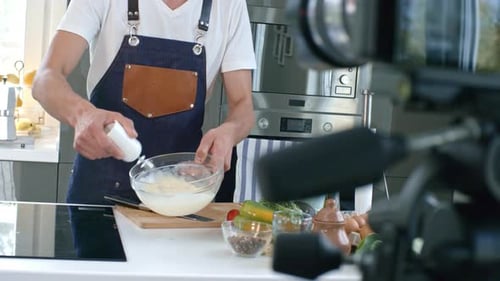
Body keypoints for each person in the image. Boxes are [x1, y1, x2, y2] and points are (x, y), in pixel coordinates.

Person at [32, 0, 256, 205]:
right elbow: (45, 79)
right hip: (101, 193)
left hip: (180, 195)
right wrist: (83, 115)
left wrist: (230, 131)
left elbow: (243, 105)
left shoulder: (230, 5)